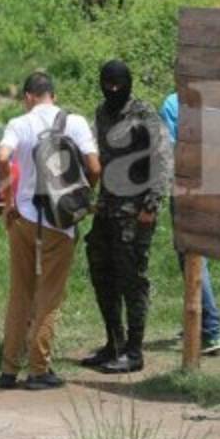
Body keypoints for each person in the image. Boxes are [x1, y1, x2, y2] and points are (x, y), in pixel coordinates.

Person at [0, 72, 101, 390]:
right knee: (49, 298)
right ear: (52, 96)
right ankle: (39, 370)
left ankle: (8, 369)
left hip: (24, 217)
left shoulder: (18, 124)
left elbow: (2, 158)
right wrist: (80, 199)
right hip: (60, 222)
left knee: (20, 294)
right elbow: (95, 168)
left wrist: (7, 199)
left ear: (28, 97)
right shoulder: (76, 122)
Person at [83, 61, 173, 374]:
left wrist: (152, 204)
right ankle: (114, 343)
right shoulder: (101, 113)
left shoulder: (144, 114)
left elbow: (161, 159)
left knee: (132, 280)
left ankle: (134, 352)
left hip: (135, 212)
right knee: (101, 273)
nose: (112, 90)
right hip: (107, 208)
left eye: (118, 84)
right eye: (107, 83)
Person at [159, 92, 220, 354]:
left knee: (191, 255)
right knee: (197, 255)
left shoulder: (173, 103)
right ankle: (197, 322)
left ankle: (210, 328)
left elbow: (172, 148)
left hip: (186, 187)